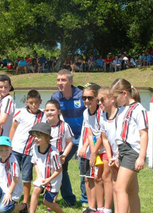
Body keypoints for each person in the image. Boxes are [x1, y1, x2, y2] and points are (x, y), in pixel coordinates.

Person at [110, 78, 148, 213]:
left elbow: (143, 134)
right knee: (131, 190)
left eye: (116, 96)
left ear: (125, 93)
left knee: (119, 188)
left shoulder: (139, 109)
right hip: (123, 151)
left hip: (132, 152)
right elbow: (121, 136)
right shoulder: (122, 110)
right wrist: (117, 155)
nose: (114, 100)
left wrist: (141, 157)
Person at [51, 69, 87, 207]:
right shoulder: (55, 97)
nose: (60, 83)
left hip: (85, 137)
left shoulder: (82, 95)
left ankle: (86, 201)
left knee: (84, 168)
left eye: (63, 80)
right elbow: (52, 116)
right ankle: (69, 199)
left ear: (71, 81)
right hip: (68, 139)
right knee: (61, 164)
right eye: (58, 80)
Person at [9, 90, 46, 205]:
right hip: (16, 149)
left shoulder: (43, 116)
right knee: (13, 174)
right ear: (27, 102)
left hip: (30, 152)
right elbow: (13, 128)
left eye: (36, 102)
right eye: (31, 102)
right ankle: (12, 197)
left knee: (26, 176)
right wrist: (9, 143)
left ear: (40, 102)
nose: (34, 105)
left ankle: (25, 201)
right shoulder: (21, 112)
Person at [44, 100, 73, 210]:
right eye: (47, 110)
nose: (50, 112)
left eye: (52, 110)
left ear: (58, 111)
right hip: (45, 157)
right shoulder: (43, 126)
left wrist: (64, 155)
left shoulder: (64, 126)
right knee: (46, 177)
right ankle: (43, 199)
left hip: (60, 157)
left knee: (59, 180)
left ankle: (53, 203)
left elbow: (70, 142)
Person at [0, 136, 29, 213]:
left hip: (13, 189)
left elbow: (15, 179)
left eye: (7, 150)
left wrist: (9, 193)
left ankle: (23, 207)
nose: (4, 153)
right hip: (1, 186)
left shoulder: (13, 161)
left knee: (4, 209)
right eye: (1, 150)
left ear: (11, 149)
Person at [29, 123, 64, 213]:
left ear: (47, 138)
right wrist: (38, 176)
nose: (36, 138)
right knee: (36, 190)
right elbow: (35, 162)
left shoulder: (53, 152)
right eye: (34, 136)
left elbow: (59, 169)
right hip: (42, 177)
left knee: (47, 202)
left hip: (53, 180)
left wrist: (49, 180)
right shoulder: (34, 148)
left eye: (39, 136)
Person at [78, 83, 101, 213]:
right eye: (84, 98)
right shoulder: (86, 112)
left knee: (98, 179)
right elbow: (89, 133)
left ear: (97, 98)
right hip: (90, 151)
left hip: (100, 151)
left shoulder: (101, 112)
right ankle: (91, 206)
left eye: (90, 97)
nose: (87, 100)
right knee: (87, 178)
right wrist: (87, 148)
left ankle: (100, 206)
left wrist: (94, 152)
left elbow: (101, 134)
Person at [95, 87, 119, 213]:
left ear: (112, 99)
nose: (100, 103)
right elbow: (104, 138)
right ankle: (106, 209)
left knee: (120, 186)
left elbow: (124, 138)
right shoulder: (103, 115)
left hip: (122, 154)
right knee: (106, 177)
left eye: (102, 100)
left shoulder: (121, 114)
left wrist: (117, 156)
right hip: (110, 153)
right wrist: (110, 157)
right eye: (98, 100)